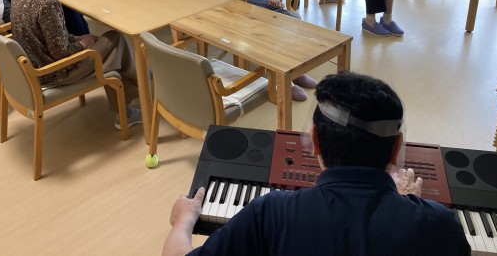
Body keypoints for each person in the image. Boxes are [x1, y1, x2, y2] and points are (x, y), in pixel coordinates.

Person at [162, 72, 471, 256]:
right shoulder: (441, 225)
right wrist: (410, 207)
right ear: (396, 149)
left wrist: (182, 223)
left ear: (316, 142)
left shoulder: (270, 213)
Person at [9, 0, 141, 129]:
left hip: (36, 63)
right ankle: (137, 96)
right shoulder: (45, 2)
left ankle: (132, 96)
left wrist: (76, 38)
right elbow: (62, 53)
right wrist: (83, 43)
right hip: (53, 71)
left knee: (111, 48)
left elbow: (48, 37)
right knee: (116, 41)